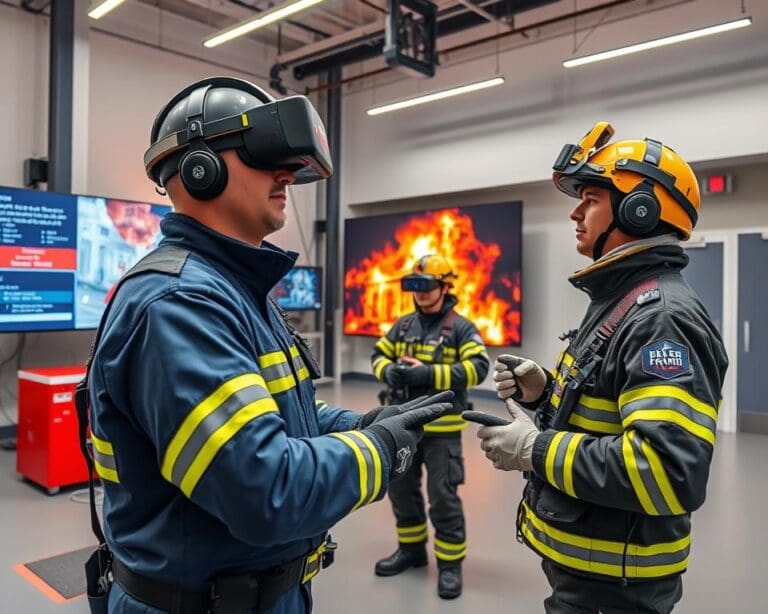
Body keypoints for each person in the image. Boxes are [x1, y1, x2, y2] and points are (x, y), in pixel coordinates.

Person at [81, 76, 453, 614]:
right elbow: (263, 491)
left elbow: (277, 413)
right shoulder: (180, 304)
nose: (287, 174)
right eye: (264, 155)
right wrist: (377, 452)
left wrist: (358, 426)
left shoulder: (233, 289)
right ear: (199, 169)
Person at [470, 122, 728, 613]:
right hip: (594, 577)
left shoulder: (661, 317)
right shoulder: (625, 299)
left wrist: (533, 448)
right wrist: (543, 392)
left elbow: (667, 472)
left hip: (615, 590)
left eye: (590, 197)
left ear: (640, 208)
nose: (575, 210)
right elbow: (608, 406)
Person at [370, 254, 490, 599]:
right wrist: (387, 371)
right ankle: (411, 551)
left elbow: (478, 367)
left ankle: (450, 565)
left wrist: (428, 373)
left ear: (444, 286)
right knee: (402, 492)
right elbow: (378, 354)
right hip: (403, 430)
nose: (420, 294)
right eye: (415, 286)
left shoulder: (461, 328)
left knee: (443, 497)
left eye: (427, 286)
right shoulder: (403, 325)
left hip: (442, 432)